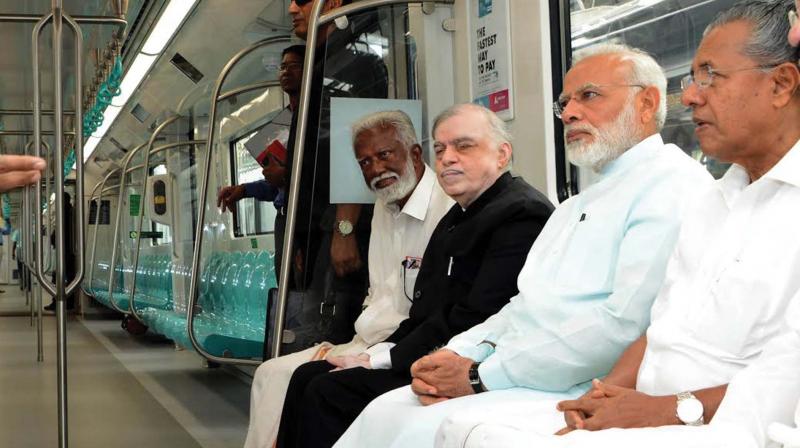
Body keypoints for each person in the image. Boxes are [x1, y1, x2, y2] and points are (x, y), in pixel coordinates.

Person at [427, 2, 800, 447]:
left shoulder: (682, 188)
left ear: (780, 85)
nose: (693, 96)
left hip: (722, 425)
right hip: (645, 398)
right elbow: (660, 328)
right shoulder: (716, 201)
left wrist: (480, 374)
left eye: (710, 77)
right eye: (565, 102)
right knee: (448, 428)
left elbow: (780, 380)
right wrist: (607, 395)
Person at [334, 43, 715, 448]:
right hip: (512, 367)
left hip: (568, 380)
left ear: (646, 103)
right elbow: (523, 306)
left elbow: (623, 326)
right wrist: (458, 352)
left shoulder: (672, 187)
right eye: (565, 101)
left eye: (588, 96)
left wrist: (482, 375)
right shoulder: (575, 205)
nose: (568, 113)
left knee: (423, 430)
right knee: (386, 412)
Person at [274, 103, 555, 448]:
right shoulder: (459, 217)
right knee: (307, 376)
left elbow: (474, 319)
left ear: (501, 154)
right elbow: (425, 313)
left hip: (464, 359)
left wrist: (384, 359)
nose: (448, 158)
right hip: (433, 346)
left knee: (327, 390)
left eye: (463, 146)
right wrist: (371, 356)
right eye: (441, 149)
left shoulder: (520, 214)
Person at [243, 110, 454, 448]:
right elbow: (377, 293)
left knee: (311, 383)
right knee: (269, 374)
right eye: (365, 162)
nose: (375, 170)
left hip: (403, 345)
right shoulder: (386, 207)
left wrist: (371, 352)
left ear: (414, 153)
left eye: (384, 155)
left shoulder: (446, 210)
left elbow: (434, 314)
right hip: (368, 339)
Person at [217, 45, 303, 276]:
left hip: (306, 220)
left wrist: (284, 176)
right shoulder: (282, 122)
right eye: (282, 66)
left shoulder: (312, 118)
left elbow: (319, 176)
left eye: (294, 66)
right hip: (284, 219)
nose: (286, 71)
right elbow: (278, 185)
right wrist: (244, 190)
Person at [44, 191, 76, 311]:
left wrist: (53, 239)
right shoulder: (70, 212)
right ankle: (69, 301)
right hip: (68, 250)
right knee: (68, 277)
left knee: (58, 277)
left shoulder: (64, 213)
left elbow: (59, 232)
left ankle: (58, 301)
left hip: (64, 250)